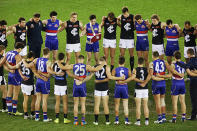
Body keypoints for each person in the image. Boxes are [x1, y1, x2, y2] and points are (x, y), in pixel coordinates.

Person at [57, 55, 104, 126]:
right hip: (82, 85)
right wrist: (103, 64)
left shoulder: (73, 65)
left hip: (75, 85)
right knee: (83, 104)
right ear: (83, 60)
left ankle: (75, 121)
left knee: (75, 104)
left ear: (77, 59)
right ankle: (83, 121)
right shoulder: (86, 66)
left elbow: (63, 68)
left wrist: (57, 62)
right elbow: (96, 69)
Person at [22, 47, 59, 122]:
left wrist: (23, 60)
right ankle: (45, 118)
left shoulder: (36, 59)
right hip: (45, 82)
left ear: (43, 53)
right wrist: (56, 73)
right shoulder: (48, 62)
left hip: (38, 81)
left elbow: (28, 66)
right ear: (48, 53)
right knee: (44, 100)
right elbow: (48, 73)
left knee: (38, 99)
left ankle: (37, 117)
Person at [92, 56, 125, 125]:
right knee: (105, 105)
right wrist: (120, 78)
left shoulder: (95, 66)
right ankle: (107, 121)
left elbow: (90, 74)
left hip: (97, 88)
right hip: (105, 88)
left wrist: (97, 81)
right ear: (104, 61)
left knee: (96, 105)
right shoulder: (106, 67)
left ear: (99, 61)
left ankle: (96, 121)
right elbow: (109, 77)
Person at [53, 53, 80, 124]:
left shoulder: (55, 64)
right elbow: (70, 74)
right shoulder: (64, 65)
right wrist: (76, 77)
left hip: (56, 85)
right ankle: (65, 118)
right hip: (63, 85)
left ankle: (57, 118)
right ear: (63, 58)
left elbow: (52, 73)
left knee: (57, 102)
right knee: (65, 102)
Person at [0, 42, 24, 116]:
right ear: (19, 48)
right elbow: (17, 67)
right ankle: (14, 111)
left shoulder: (7, 53)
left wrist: (8, 68)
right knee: (15, 93)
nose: (21, 51)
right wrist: (11, 68)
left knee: (9, 92)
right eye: (21, 49)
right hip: (16, 75)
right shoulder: (17, 56)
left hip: (10, 75)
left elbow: (1, 63)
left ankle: (9, 111)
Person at [112, 56, 134, 125]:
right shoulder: (127, 70)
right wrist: (125, 81)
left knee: (117, 104)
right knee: (125, 105)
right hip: (124, 87)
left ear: (118, 62)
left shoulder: (115, 69)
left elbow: (112, 77)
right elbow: (131, 78)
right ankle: (126, 120)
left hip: (117, 87)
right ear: (124, 62)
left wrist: (118, 80)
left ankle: (116, 120)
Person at [176, 49, 197, 120]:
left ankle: (193, 116)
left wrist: (177, 62)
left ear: (188, 54)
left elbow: (186, 66)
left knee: (194, 99)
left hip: (194, 82)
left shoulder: (191, 61)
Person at [149, 51, 168, 124]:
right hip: (163, 84)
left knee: (157, 102)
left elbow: (152, 76)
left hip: (156, 84)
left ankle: (159, 119)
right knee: (162, 100)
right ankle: (164, 117)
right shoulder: (163, 62)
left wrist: (159, 78)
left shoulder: (152, 63)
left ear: (153, 56)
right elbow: (167, 72)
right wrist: (163, 78)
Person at [169, 51, 186, 123]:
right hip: (182, 83)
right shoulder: (184, 63)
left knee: (175, 102)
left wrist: (178, 74)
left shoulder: (173, 64)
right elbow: (184, 72)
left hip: (176, 83)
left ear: (174, 57)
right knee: (182, 101)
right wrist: (182, 74)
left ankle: (174, 119)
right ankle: (183, 117)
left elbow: (172, 71)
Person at [117, 6, 135, 71]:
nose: (125, 15)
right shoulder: (121, 16)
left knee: (131, 54)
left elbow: (135, 25)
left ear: (128, 11)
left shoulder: (132, 16)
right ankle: (120, 68)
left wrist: (133, 27)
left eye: (126, 14)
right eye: (124, 14)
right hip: (123, 38)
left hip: (130, 38)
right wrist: (120, 25)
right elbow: (117, 21)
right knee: (122, 54)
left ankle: (132, 69)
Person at [133, 57, 150, 126]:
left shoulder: (135, 69)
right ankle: (146, 121)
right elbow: (149, 76)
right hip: (145, 89)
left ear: (138, 62)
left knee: (138, 106)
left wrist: (140, 81)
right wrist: (144, 82)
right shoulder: (147, 69)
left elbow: (133, 78)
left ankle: (138, 121)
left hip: (138, 89)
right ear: (143, 62)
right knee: (145, 105)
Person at [0, 45, 8, 112]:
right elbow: (5, 67)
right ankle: (4, 108)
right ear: (2, 50)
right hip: (0, 77)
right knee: (5, 92)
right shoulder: (2, 58)